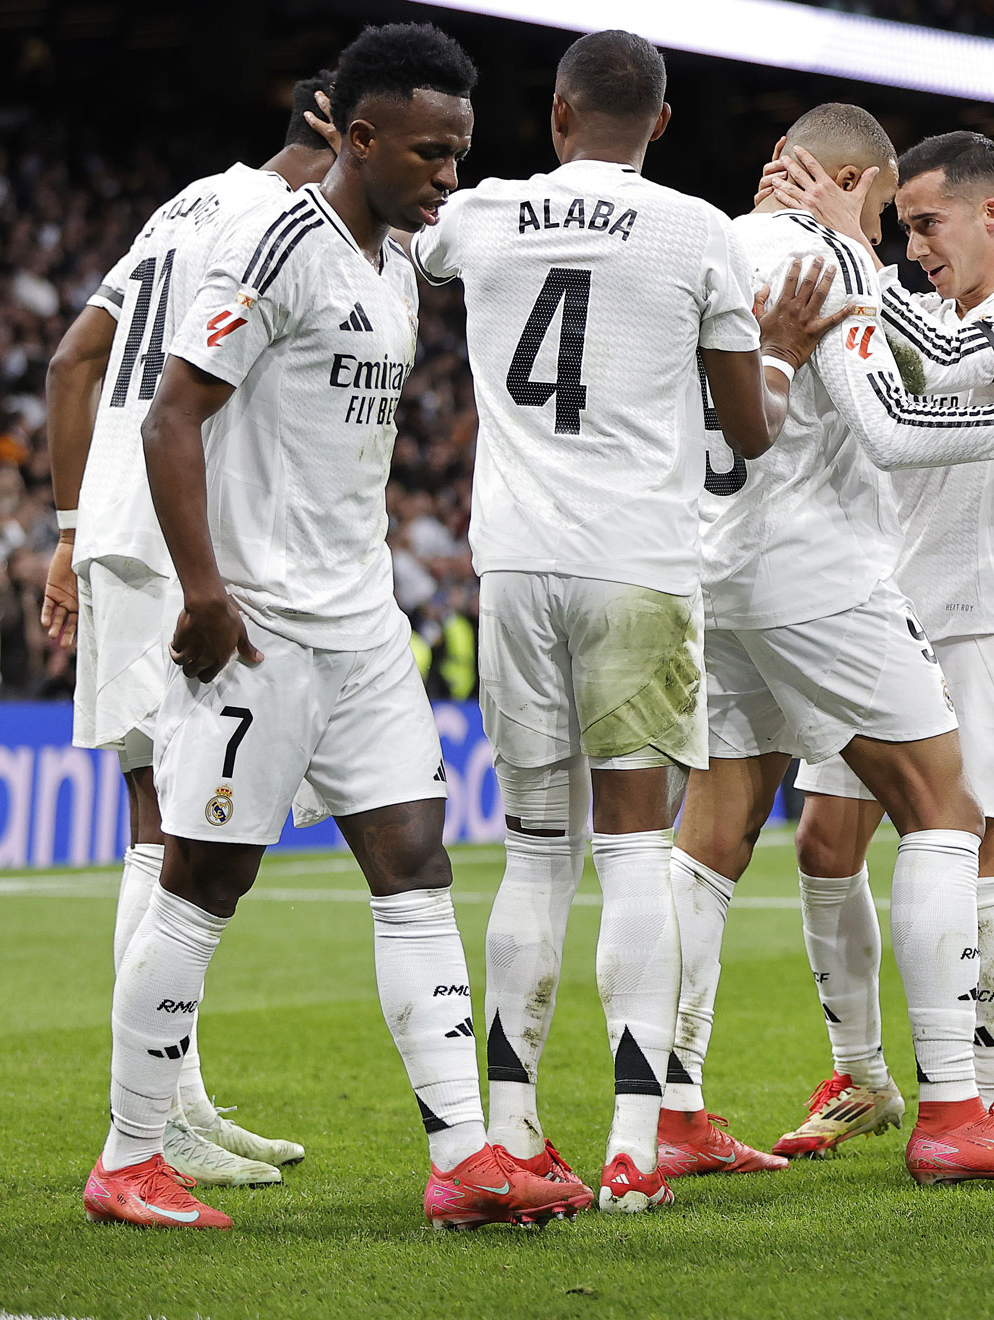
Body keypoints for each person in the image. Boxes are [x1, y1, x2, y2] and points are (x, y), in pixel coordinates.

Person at [85, 22, 588, 1231]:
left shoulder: (402, 266)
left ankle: (463, 1157)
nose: (447, 177)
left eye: (459, 154)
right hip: (258, 629)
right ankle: (127, 1158)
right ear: (355, 139)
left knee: (415, 866)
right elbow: (169, 419)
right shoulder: (277, 243)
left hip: (361, 625)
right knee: (202, 884)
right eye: (429, 153)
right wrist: (203, 593)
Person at [409, 29, 842, 1212]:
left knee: (537, 855)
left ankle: (512, 1129)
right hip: (639, 571)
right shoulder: (697, 230)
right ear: (658, 124)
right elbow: (750, 437)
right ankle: (633, 1142)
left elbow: (407, 225)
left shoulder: (486, 212)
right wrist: (788, 356)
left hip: (515, 571)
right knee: (637, 851)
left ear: (554, 114)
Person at [663, 108, 994, 1184]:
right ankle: (864, 1075)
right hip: (855, 600)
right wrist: (853, 260)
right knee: (826, 841)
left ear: (988, 210)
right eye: (902, 226)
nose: (916, 247)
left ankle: (988, 1099)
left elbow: (950, 365)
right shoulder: (881, 289)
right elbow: (887, 375)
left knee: (976, 841)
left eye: (929, 224)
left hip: (973, 609)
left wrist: (850, 256)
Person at [43, 70, 338, 1191]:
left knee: (152, 820)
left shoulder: (185, 205)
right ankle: (153, 1124)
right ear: (336, 131)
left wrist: (69, 531)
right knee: (181, 828)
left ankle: (174, 1104)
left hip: (119, 527)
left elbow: (73, 357)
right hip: (187, 531)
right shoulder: (284, 224)